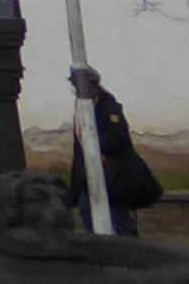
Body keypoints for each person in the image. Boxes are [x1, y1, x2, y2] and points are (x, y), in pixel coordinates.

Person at [66, 66, 160, 236]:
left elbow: (118, 138)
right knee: (88, 213)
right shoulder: (81, 110)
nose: (76, 90)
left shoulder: (108, 106)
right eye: (74, 85)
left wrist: (95, 145)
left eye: (79, 85)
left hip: (113, 177)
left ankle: (131, 252)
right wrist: (74, 187)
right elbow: (79, 149)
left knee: (117, 219)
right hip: (89, 178)